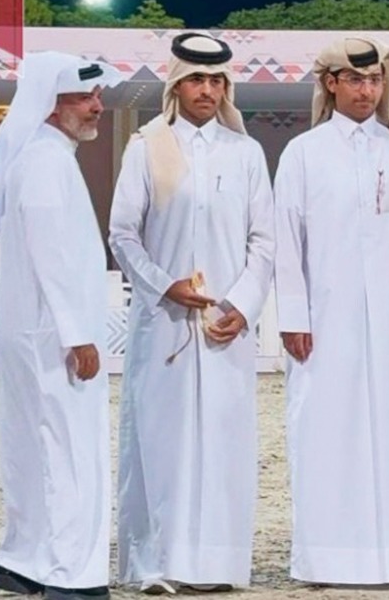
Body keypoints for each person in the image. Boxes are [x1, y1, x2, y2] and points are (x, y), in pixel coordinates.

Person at [109, 33, 275, 594]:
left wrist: (242, 306)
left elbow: (264, 241)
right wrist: (165, 286)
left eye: (216, 81)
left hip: (226, 327)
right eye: (196, 80)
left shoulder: (245, 153)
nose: (207, 90)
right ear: (176, 86)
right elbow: (123, 234)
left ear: (226, 88)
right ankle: (156, 565)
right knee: (162, 441)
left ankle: (217, 567)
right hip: (165, 325)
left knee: (225, 442)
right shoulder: (147, 146)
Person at [273, 36, 389, 586]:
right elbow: (286, 240)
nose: (367, 91)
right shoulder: (304, 152)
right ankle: (326, 559)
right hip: (325, 321)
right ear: (331, 84)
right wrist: (293, 316)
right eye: (355, 80)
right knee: (326, 434)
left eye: (374, 80)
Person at [0, 52, 123, 600]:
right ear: (49, 104)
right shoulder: (45, 162)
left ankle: (21, 561)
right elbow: (51, 254)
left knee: (34, 448)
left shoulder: (43, 156)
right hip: (55, 336)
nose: (97, 107)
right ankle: (71, 575)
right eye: (84, 97)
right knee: (69, 453)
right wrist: (77, 334)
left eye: (97, 96)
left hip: (38, 332)